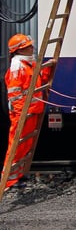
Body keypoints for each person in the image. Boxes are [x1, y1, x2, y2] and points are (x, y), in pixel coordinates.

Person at [2, 34, 54, 190]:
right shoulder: (18, 68)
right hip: (23, 113)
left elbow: (38, 81)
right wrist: (22, 113)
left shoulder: (28, 64)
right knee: (17, 148)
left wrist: (48, 67)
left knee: (25, 145)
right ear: (20, 50)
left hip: (31, 111)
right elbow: (15, 94)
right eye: (28, 46)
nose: (32, 48)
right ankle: (8, 180)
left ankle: (16, 177)